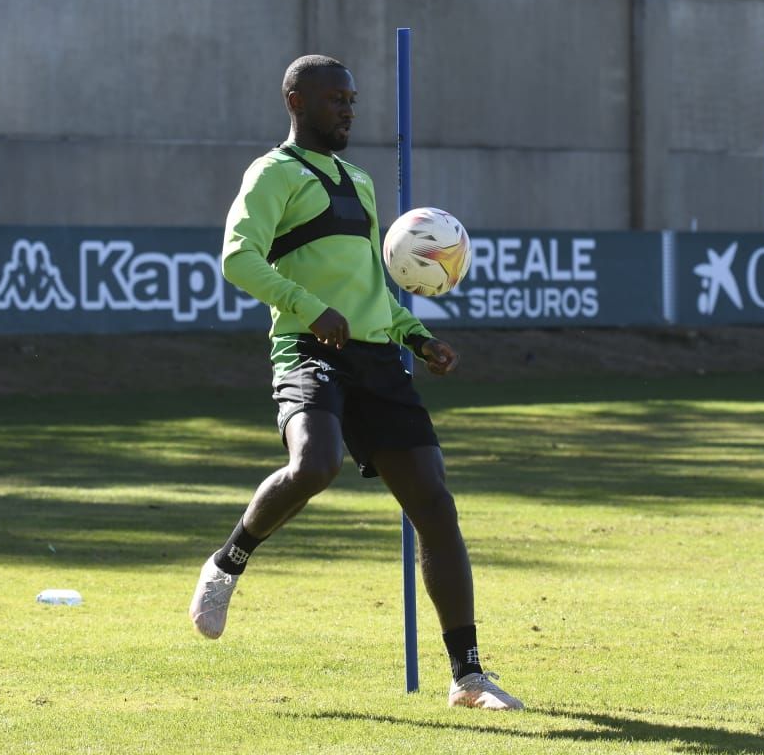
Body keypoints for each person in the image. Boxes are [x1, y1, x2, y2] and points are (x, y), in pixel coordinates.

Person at [188, 54, 524, 711]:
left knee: (434, 503)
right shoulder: (273, 174)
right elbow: (236, 258)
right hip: (307, 347)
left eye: (352, 98)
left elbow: (371, 288)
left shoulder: (360, 183)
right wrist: (310, 309)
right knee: (315, 464)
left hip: (376, 359)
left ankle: (468, 676)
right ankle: (228, 562)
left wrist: (416, 336)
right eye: (335, 98)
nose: (347, 108)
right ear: (296, 101)